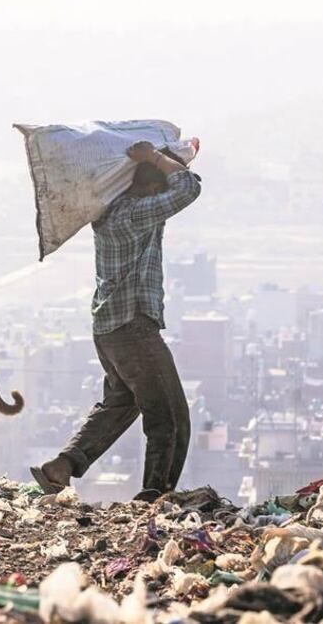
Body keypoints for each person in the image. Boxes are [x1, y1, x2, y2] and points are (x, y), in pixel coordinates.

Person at [31, 140, 202, 502]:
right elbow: (188, 188)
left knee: (120, 404)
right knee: (169, 417)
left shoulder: (114, 211)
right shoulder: (134, 215)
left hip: (109, 328)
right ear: (153, 186)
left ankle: (61, 467)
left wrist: (174, 159)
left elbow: (177, 182)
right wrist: (156, 158)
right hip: (132, 327)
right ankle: (155, 496)